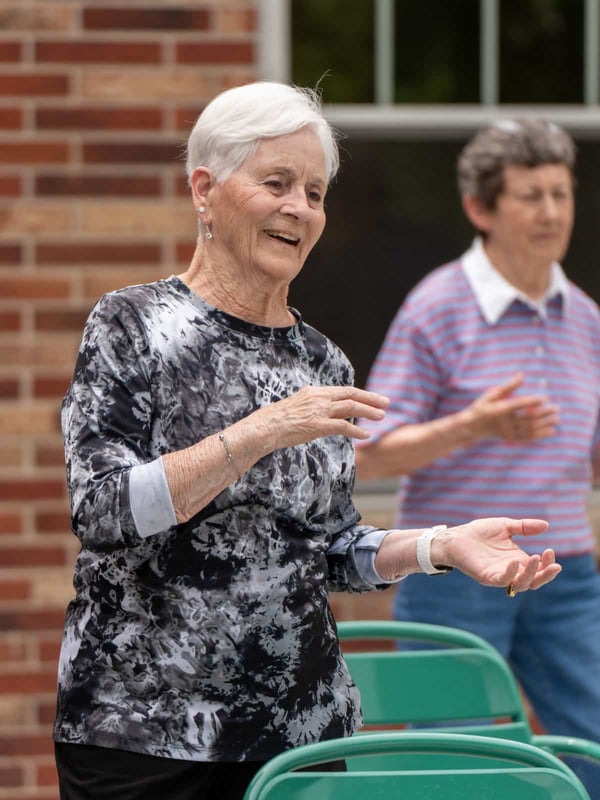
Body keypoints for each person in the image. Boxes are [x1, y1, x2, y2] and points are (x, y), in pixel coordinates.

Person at [53, 86, 561, 800]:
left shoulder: (321, 363)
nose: (301, 208)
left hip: (301, 740)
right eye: (277, 183)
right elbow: (101, 509)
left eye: (315, 192)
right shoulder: (132, 326)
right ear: (206, 190)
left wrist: (440, 546)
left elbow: (329, 549)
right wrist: (261, 431)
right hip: (144, 735)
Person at [356, 118, 600, 796]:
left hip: (567, 575)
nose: (551, 212)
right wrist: (473, 427)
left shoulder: (586, 318)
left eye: (561, 192)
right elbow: (366, 456)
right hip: (457, 574)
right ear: (480, 209)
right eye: (530, 195)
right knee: (453, 767)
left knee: (595, 753)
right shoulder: (436, 309)